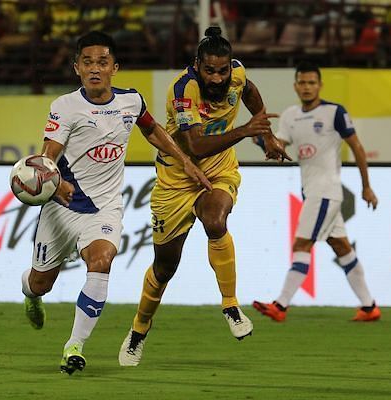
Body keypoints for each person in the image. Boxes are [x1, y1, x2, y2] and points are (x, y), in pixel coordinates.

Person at [20, 30, 211, 375]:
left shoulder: (131, 102)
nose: (95, 68)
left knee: (102, 259)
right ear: (76, 67)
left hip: (105, 208)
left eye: (102, 62)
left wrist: (183, 159)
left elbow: (152, 129)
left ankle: (74, 346)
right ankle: (31, 295)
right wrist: (56, 181)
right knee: (40, 282)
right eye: (88, 62)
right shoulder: (65, 106)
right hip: (62, 207)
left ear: (115, 67)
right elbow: (48, 154)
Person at [118, 26, 290, 367]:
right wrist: (246, 131)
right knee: (165, 267)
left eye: (222, 70)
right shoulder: (183, 91)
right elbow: (195, 145)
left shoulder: (237, 75)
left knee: (215, 220)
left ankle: (230, 305)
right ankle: (139, 329)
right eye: (209, 70)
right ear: (197, 65)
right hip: (176, 179)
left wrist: (267, 136)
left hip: (219, 171)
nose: (216, 77)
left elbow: (251, 93)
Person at [252, 61, 381, 323]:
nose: (307, 87)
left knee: (302, 243)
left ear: (320, 85)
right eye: (302, 82)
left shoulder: (334, 112)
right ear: (295, 85)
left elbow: (356, 146)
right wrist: (258, 135)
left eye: (312, 82)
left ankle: (280, 305)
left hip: (326, 191)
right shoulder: (290, 116)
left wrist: (366, 185)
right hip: (312, 191)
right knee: (341, 246)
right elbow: (278, 148)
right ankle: (369, 307)